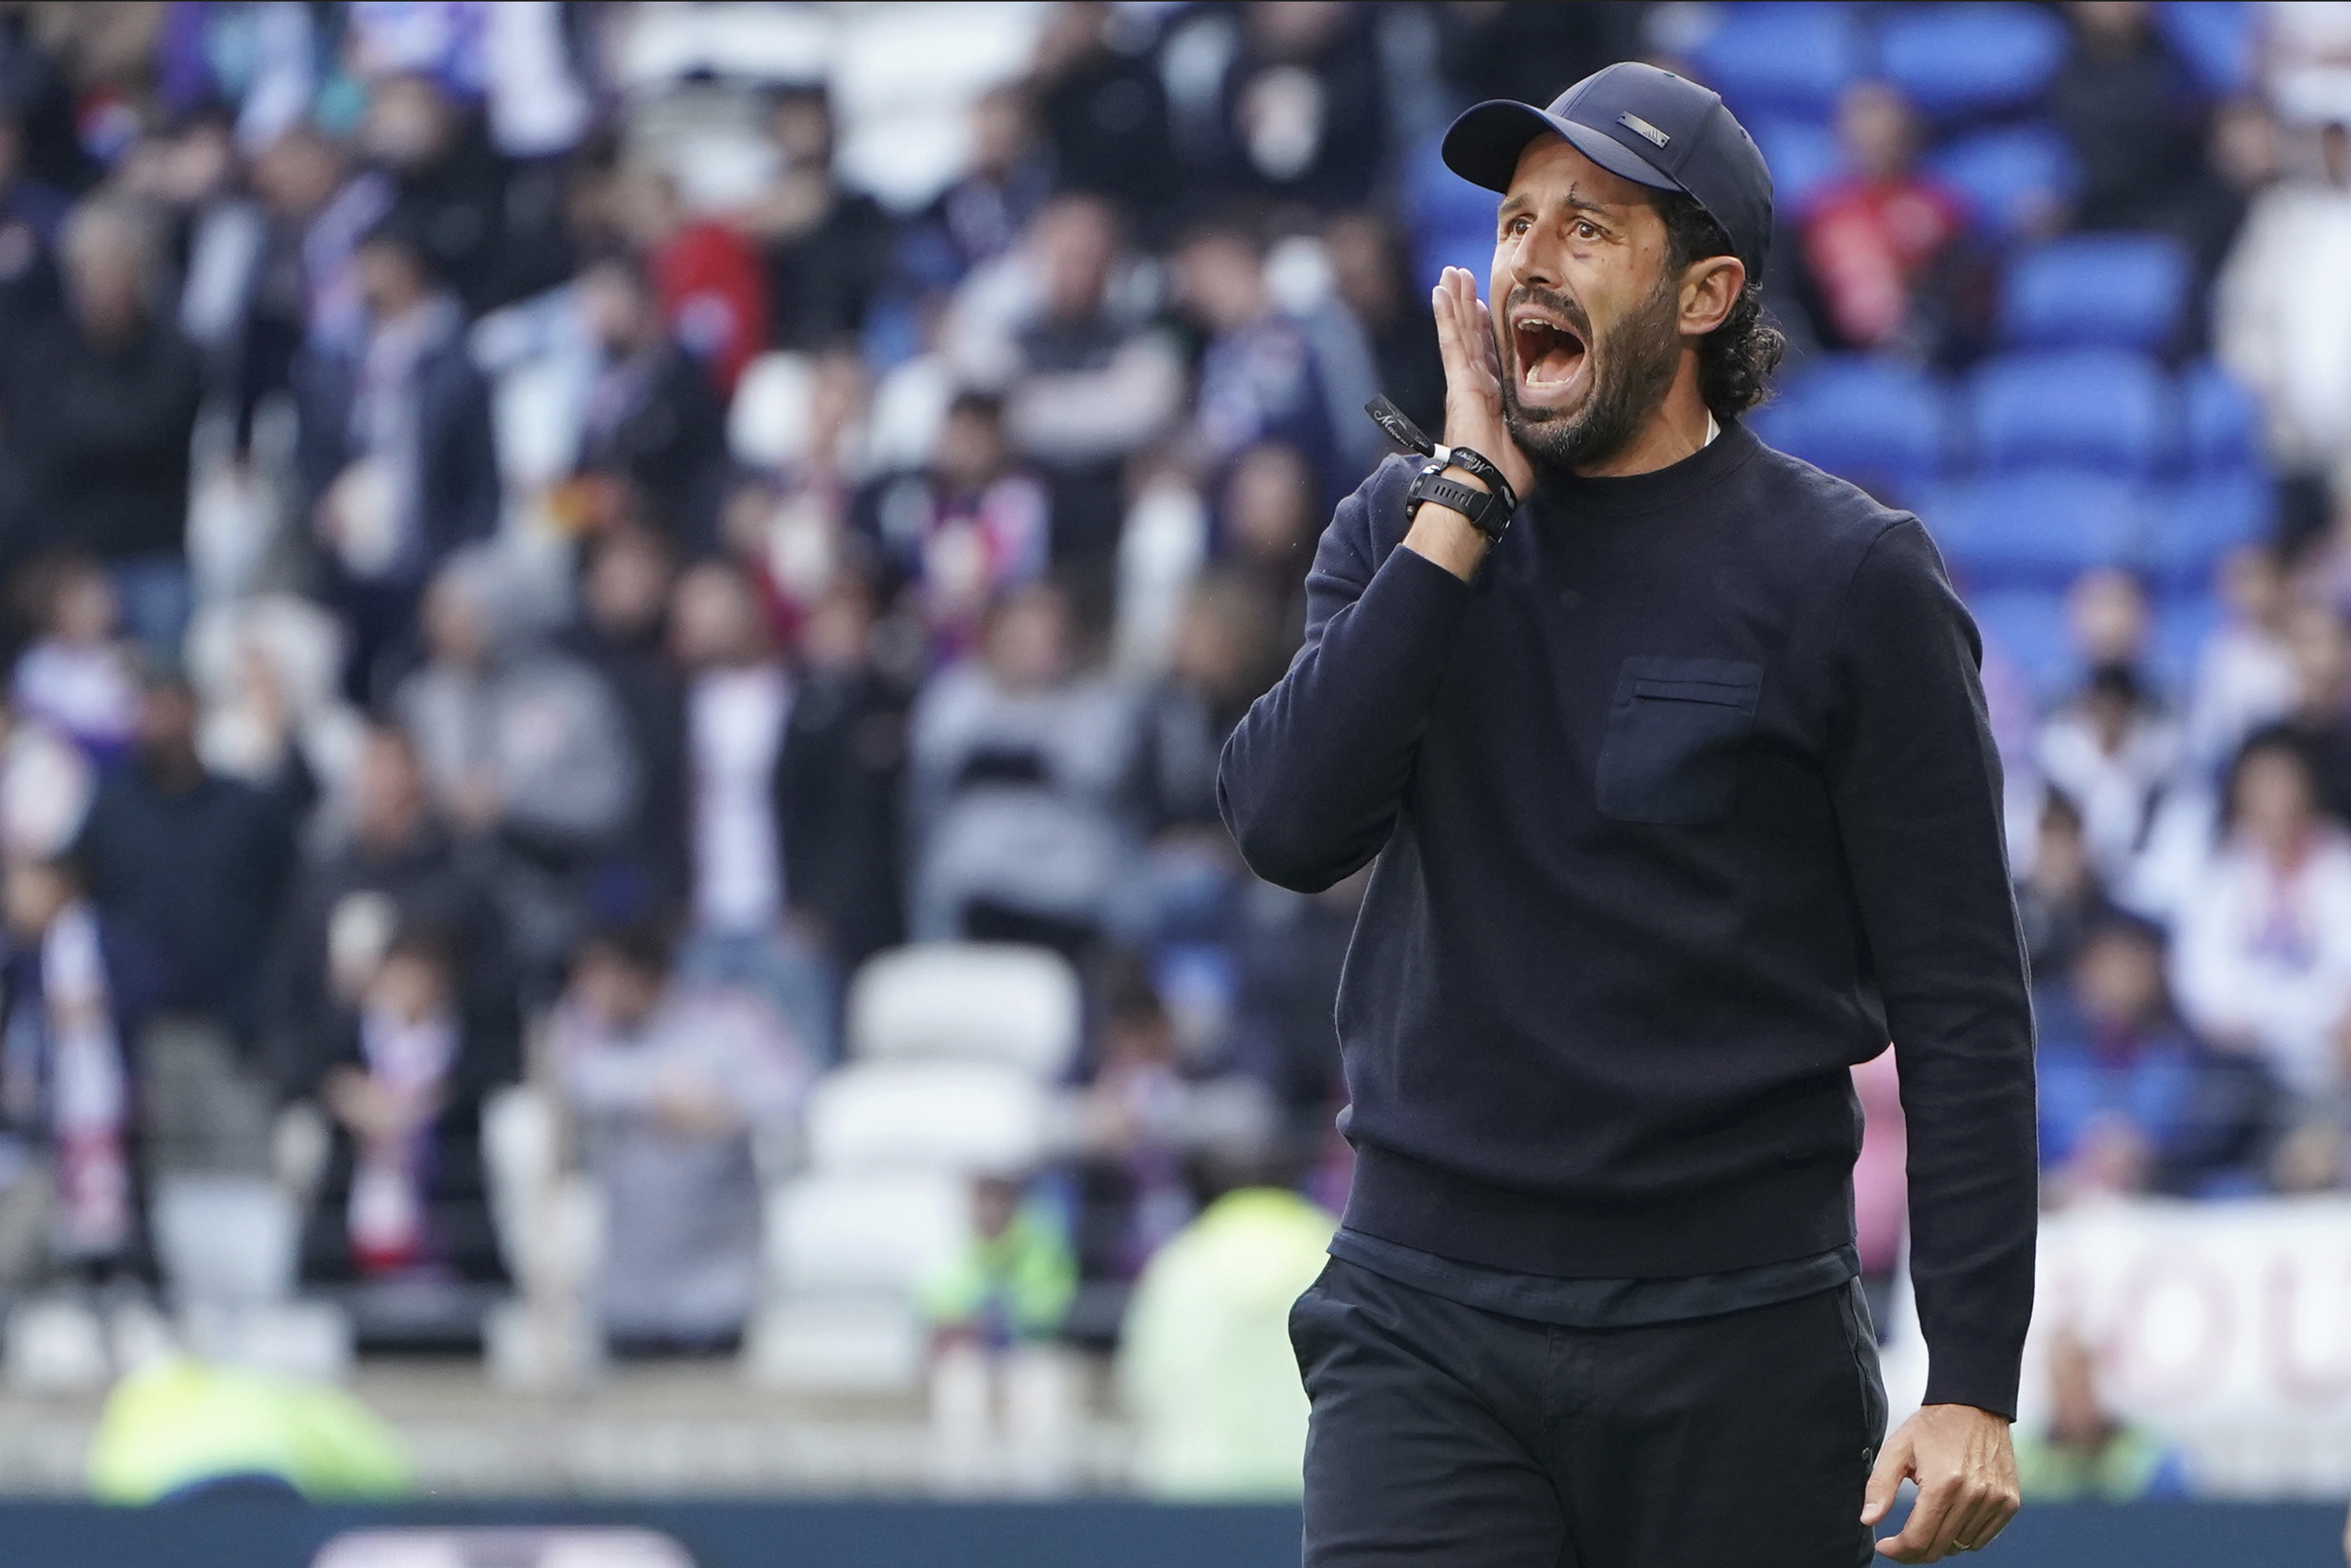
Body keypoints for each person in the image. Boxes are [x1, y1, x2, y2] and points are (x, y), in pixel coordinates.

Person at [1218, 64, 2035, 1565]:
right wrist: (1460, 507)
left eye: (1587, 228)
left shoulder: (1850, 579)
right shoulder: (1407, 530)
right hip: (1425, 1322)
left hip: (1739, 1343)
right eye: (1515, 220)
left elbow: (1963, 999)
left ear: (1706, 291)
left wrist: (1971, 1373)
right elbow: (1283, 826)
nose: (1528, 255)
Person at [548, 924, 808, 1350]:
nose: (588, 997)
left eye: (601, 981)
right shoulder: (584, 1025)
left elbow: (791, 1092)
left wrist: (724, 1110)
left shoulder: (729, 1019)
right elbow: (571, 1074)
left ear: (642, 977)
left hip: (720, 1282)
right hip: (627, 1293)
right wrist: (655, 1091)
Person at [292, 216, 501, 703]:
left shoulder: (456, 362)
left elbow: (479, 477)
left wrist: (462, 567)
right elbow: (312, 446)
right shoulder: (335, 356)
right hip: (350, 556)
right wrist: (320, 501)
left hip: (428, 554)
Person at [0, 198, 203, 664]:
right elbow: (33, 446)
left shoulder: (177, 354)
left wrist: (78, 429)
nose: (99, 282)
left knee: (158, 691)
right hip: (60, 562)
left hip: (151, 555)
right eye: (88, 268)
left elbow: (146, 432)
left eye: (115, 265)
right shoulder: (42, 352)